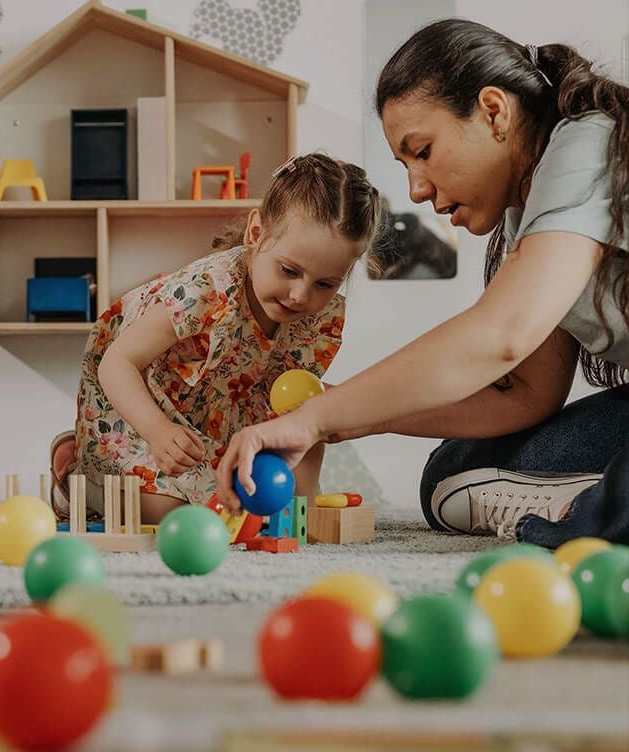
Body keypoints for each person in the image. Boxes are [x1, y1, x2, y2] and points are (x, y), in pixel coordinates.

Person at [216, 19, 629, 548]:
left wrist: (315, 419)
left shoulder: (586, 144)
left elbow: (501, 335)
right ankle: (597, 500)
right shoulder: (524, 210)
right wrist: (350, 416)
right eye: (404, 163)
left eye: (423, 151)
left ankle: (595, 510)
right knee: (449, 474)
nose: (414, 189)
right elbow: (526, 395)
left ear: (494, 111)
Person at [52, 153, 381, 524]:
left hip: (214, 422)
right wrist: (158, 432)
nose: (300, 296)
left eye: (325, 283)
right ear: (256, 234)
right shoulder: (208, 288)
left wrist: (301, 505)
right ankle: (77, 477)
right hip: (140, 408)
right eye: (289, 270)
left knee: (233, 508)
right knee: (168, 513)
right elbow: (117, 363)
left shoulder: (320, 317)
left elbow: (301, 410)